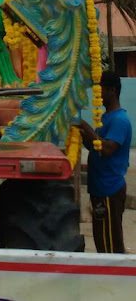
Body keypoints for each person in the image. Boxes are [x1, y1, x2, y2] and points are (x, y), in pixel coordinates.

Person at [79, 70, 132, 253]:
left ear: (111, 90)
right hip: (100, 189)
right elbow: (96, 146)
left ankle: (116, 278)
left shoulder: (119, 120)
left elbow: (107, 149)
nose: (98, 92)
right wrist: (80, 132)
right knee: (102, 241)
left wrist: (86, 127)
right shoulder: (106, 118)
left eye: (101, 88)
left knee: (111, 245)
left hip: (110, 189)